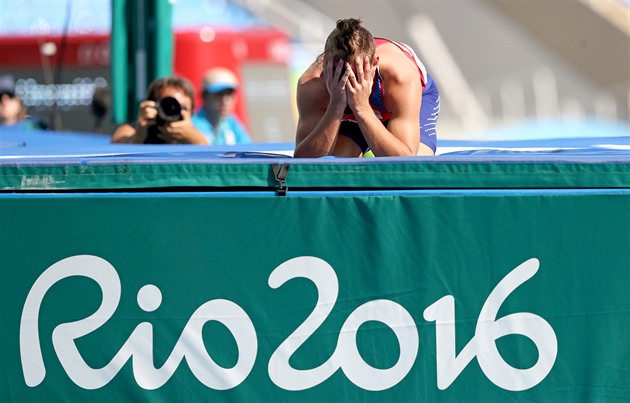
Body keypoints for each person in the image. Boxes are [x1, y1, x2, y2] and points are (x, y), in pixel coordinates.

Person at [294, 18, 440, 158]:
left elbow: (405, 160)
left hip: (410, 99)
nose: (347, 83)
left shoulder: (400, 76)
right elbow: (306, 160)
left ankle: (373, 145)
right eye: (340, 74)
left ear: (374, 64)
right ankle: (368, 145)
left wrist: (361, 106)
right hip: (353, 115)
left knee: (415, 169)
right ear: (325, 66)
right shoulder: (312, 84)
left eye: (356, 75)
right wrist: (336, 105)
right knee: (335, 164)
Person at [111, 76, 208, 144]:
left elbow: (208, 154)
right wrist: (139, 136)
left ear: (191, 113)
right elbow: (118, 154)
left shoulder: (195, 137)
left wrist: (192, 137)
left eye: (183, 108)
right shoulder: (130, 131)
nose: (175, 112)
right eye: (169, 105)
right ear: (152, 105)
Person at [191, 67, 252, 145]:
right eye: (219, 94)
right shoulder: (193, 123)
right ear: (205, 96)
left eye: (229, 94)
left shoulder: (231, 121)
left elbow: (248, 148)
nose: (225, 101)